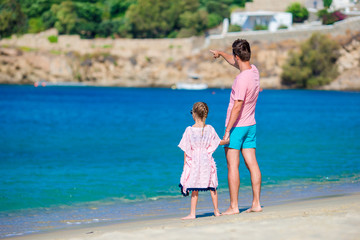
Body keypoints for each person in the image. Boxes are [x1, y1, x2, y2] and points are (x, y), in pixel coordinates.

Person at [210, 39, 262, 215]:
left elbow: (237, 105)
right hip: (251, 125)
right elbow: (237, 63)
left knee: (233, 166)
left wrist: (227, 131)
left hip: (237, 127)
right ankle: (256, 203)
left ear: (237, 55)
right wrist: (222, 53)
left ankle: (234, 206)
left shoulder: (241, 80)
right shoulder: (254, 71)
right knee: (252, 164)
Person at [178, 102, 229, 220]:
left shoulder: (189, 130)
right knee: (212, 185)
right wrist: (226, 141)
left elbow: (186, 148)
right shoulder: (209, 128)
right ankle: (216, 211)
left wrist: (185, 164)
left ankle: (192, 213)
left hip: (195, 160)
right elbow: (217, 141)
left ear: (194, 114)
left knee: (194, 187)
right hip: (206, 159)